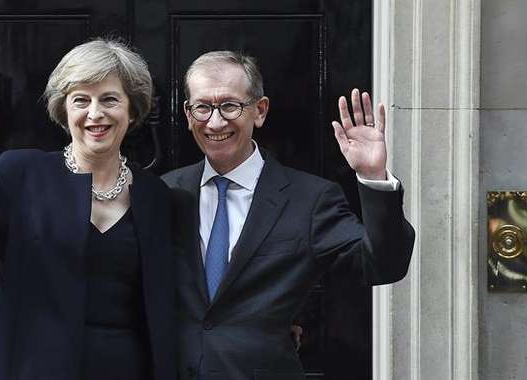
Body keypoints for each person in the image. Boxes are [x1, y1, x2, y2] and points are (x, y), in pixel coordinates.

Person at [0, 40, 175, 380]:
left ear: (132, 110)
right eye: (81, 100)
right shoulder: (21, 175)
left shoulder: (156, 196)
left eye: (110, 99)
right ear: (64, 110)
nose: (95, 113)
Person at [162, 51, 415, 380]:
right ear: (187, 113)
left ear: (260, 111)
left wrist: (373, 176)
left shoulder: (310, 199)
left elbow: (382, 265)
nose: (215, 122)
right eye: (203, 107)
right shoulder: (166, 193)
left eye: (229, 105)